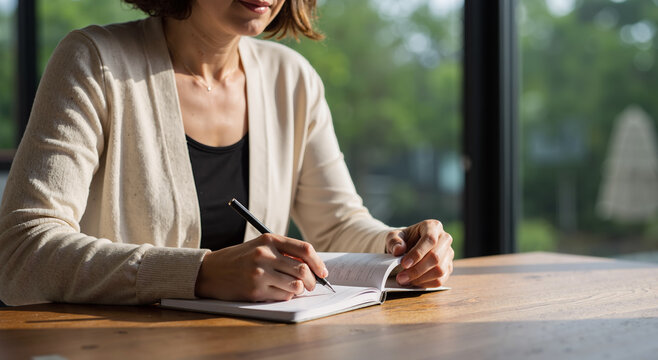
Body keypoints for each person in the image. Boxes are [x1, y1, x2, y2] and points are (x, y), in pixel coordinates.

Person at [0, 0, 454, 306]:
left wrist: (399, 249)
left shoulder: (290, 78)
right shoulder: (94, 60)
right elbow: (24, 252)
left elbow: (335, 224)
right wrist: (200, 273)